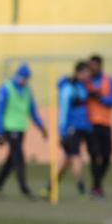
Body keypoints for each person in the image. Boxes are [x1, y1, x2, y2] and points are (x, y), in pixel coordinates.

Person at [0, 63, 47, 199]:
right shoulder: (6, 88)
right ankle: (24, 188)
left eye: (26, 78)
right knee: (19, 158)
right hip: (9, 128)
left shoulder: (27, 91)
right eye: (22, 78)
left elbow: (32, 111)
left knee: (11, 160)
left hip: (21, 129)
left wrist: (41, 127)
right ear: (17, 76)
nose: (24, 81)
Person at [46, 61, 92, 198]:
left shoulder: (82, 87)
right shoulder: (68, 89)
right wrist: (62, 132)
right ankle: (82, 190)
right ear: (78, 73)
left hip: (81, 128)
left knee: (66, 161)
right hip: (72, 129)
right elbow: (63, 112)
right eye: (86, 73)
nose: (88, 75)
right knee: (77, 159)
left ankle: (48, 187)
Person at [85, 54, 112, 199]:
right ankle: (97, 188)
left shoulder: (109, 80)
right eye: (90, 65)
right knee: (94, 155)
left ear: (100, 66)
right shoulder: (84, 81)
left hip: (105, 124)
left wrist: (101, 98)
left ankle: (95, 184)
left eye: (94, 65)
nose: (92, 68)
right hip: (90, 124)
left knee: (107, 156)